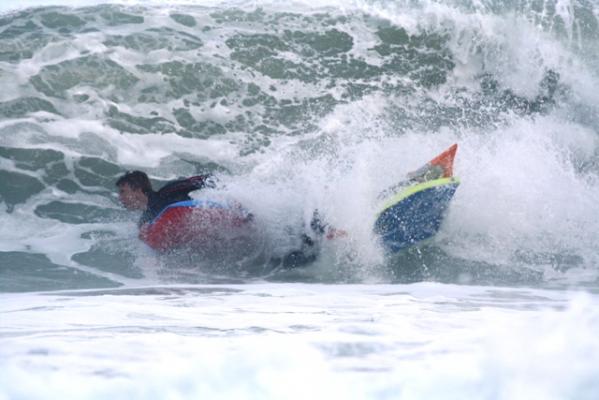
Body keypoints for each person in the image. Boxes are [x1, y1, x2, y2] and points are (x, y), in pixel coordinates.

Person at [116, 170, 214, 228]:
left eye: (122, 192)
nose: (120, 198)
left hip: (207, 220)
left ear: (137, 190)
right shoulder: (144, 222)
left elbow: (207, 179)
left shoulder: (169, 191)